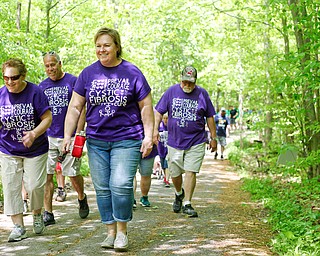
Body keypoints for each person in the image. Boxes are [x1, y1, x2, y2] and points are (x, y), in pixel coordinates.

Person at [61, 27, 154, 252]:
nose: (102, 49)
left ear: (117, 46)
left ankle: (122, 231)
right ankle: (110, 231)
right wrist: (68, 135)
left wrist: (149, 136)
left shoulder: (132, 72)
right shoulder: (88, 74)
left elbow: (146, 107)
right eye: (98, 45)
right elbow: (75, 106)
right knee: (102, 188)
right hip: (97, 140)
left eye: (106, 45)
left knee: (120, 184)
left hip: (127, 138)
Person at [154, 66, 217, 218]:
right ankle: (178, 193)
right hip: (174, 141)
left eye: (191, 83)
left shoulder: (202, 94)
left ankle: (187, 203)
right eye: (185, 82)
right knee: (174, 174)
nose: (187, 85)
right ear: (180, 79)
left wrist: (213, 138)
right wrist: (155, 130)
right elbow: (159, 111)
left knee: (191, 171)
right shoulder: (171, 92)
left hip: (196, 140)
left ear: (195, 82)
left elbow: (209, 117)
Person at [0, 58, 52, 242]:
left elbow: (47, 118)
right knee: (11, 186)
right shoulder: (1, 94)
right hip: (8, 148)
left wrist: (34, 133)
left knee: (34, 186)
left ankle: (37, 213)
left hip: (35, 149)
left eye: (14, 78)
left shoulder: (35, 92)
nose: (9, 82)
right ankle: (18, 227)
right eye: (5, 78)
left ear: (23, 76)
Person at [39, 52, 89, 226]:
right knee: (47, 174)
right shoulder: (42, 86)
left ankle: (82, 198)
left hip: (69, 135)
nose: (50, 69)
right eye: (47, 66)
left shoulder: (73, 81)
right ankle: (48, 212)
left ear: (59, 63)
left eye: (53, 64)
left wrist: (78, 133)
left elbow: (81, 109)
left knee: (72, 174)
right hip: (48, 137)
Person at [157, 113, 170, 187]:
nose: (165, 120)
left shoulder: (171, 127)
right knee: (163, 165)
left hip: (169, 149)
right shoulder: (159, 126)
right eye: (164, 118)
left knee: (167, 164)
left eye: (167, 118)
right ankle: (165, 177)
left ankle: (167, 179)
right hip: (161, 148)